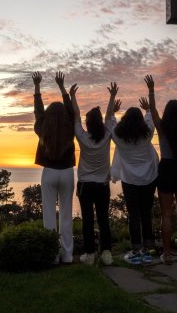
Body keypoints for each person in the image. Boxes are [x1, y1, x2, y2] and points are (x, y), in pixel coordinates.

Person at [69, 82, 121, 266]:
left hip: (85, 186)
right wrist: (113, 95)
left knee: (88, 220)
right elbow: (109, 116)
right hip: (102, 186)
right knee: (103, 219)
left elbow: (75, 115)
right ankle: (106, 254)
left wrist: (72, 96)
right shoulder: (107, 135)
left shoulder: (82, 138)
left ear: (88, 124)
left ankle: (89, 255)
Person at [108, 82, 159, 265]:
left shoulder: (119, 137)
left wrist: (113, 106)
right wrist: (146, 108)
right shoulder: (147, 135)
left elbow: (110, 123)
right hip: (149, 178)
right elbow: (150, 119)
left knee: (134, 214)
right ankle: (147, 250)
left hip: (130, 180)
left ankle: (135, 250)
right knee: (146, 212)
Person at [144, 75, 177, 265]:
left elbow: (154, 111)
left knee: (166, 215)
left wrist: (151, 89)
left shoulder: (162, 127)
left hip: (166, 169)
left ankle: (167, 255)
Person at [32, 71, 76, 264]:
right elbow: (71, 110)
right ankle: (67, 256)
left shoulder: (43, 128)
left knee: (49, 214)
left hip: (49, 172)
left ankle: (52, 255)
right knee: (66, 214)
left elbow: (39, 112)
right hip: (67, 172)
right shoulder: (71, 127)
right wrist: (62, 87)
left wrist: (37, 87)